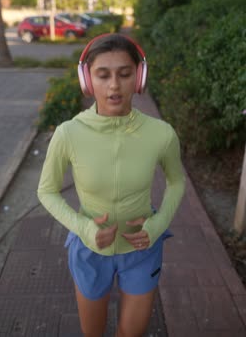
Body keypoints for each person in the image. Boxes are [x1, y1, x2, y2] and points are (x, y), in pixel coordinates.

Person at [37, 33, 186, 337]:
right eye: (103, 75)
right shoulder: (68, 133)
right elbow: (47, 191)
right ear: (87, 80)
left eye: (125, 74)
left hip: (142, 248)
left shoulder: (161, 133)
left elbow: (177, 182)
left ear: (139, 77)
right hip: (89, 250)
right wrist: (84, 228)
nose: (114, 86)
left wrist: (156, 226)